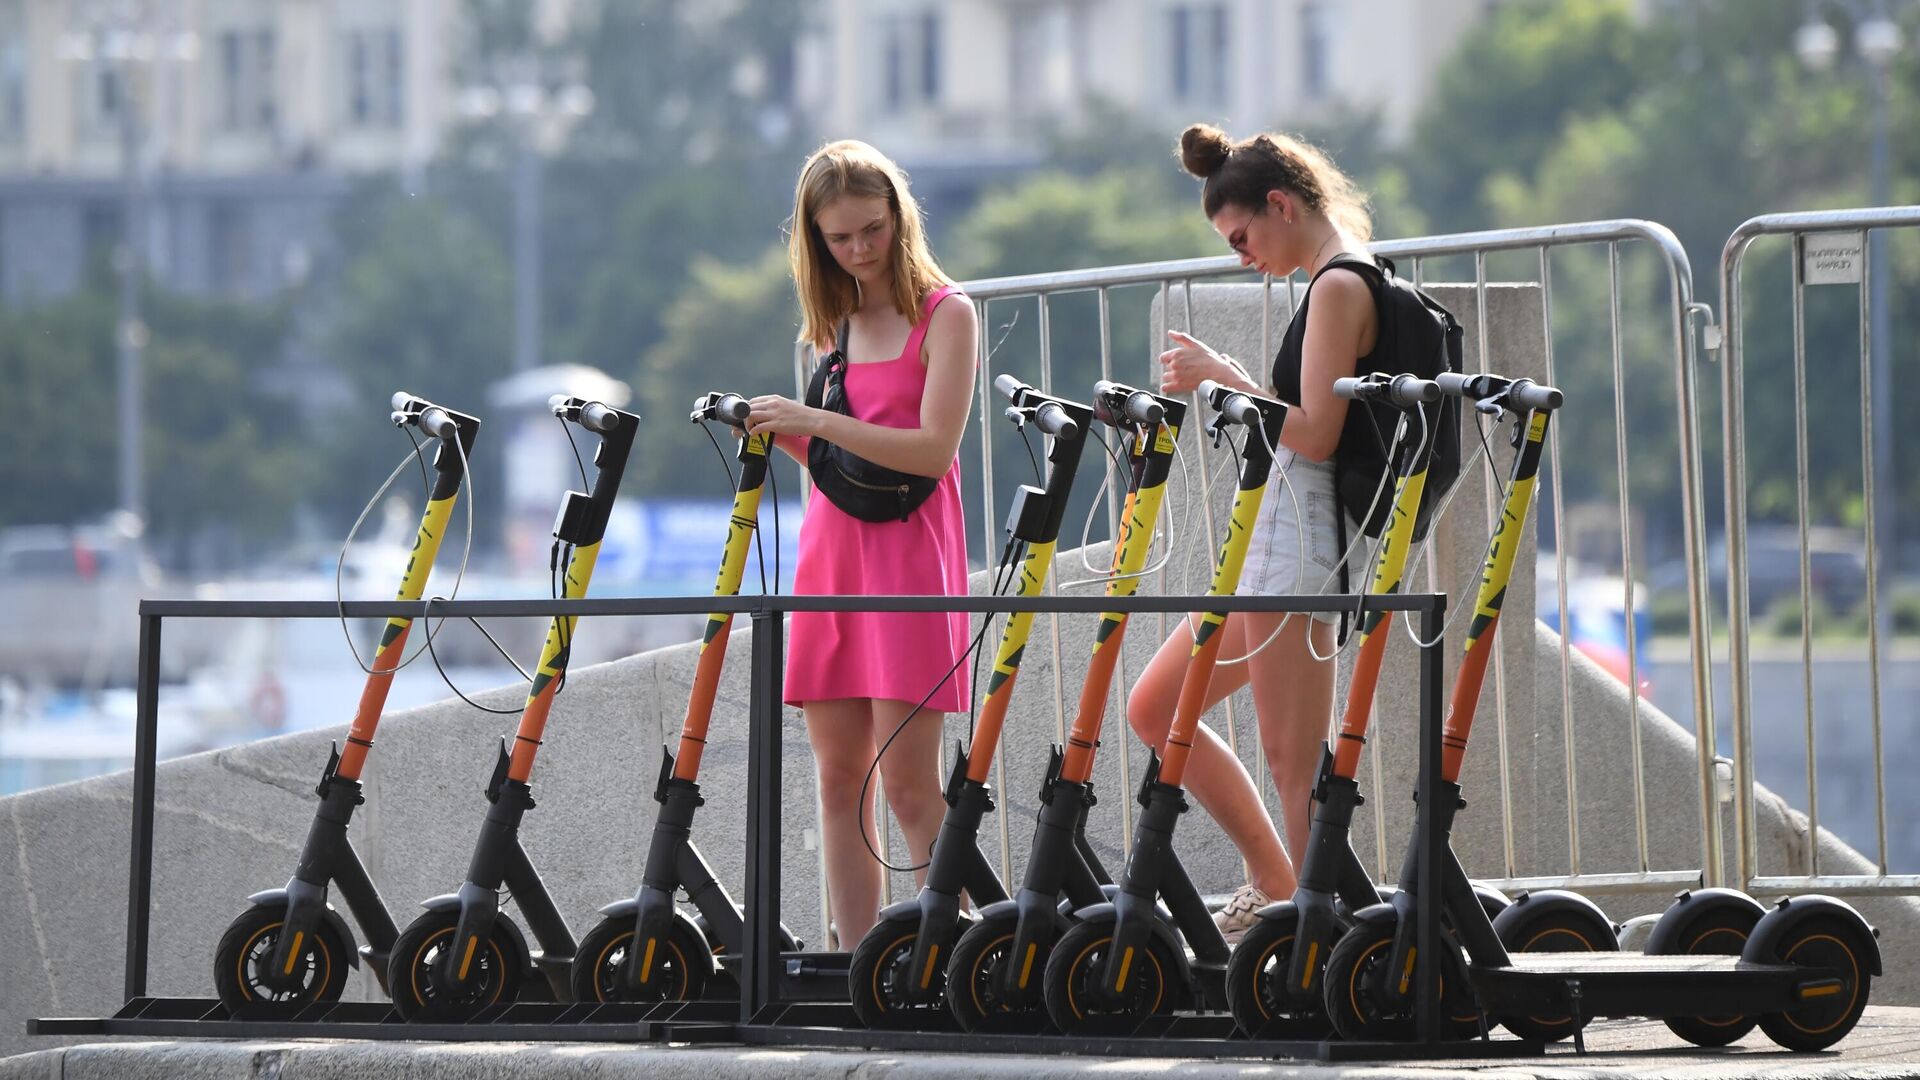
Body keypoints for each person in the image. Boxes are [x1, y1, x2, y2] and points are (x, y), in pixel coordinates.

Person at [1128, 122, 1379, 943]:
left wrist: (1221, 377)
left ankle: (1318, 935)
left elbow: (1315, 434)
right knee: (1157, 706)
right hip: (1275, 543)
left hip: (1296, 546)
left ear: (1280, 204)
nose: (1243, 255)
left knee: (1291, 759)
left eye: (1244, 236)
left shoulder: (1340, 284)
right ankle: (1281, 885)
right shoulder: (1331, 282)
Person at [746, 139, 979, 946]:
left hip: (911, 562)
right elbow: (846, 466)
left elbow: (931, 451)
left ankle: (958, 956)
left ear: (898, 218)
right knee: (838, 782)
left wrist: (811, 418)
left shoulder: (948, 313)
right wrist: (782, 433)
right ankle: (856, 963)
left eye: (872, 230)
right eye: (839, 239)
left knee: (911, 788)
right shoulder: (832, 323)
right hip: (833, 557)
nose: (859, 250)